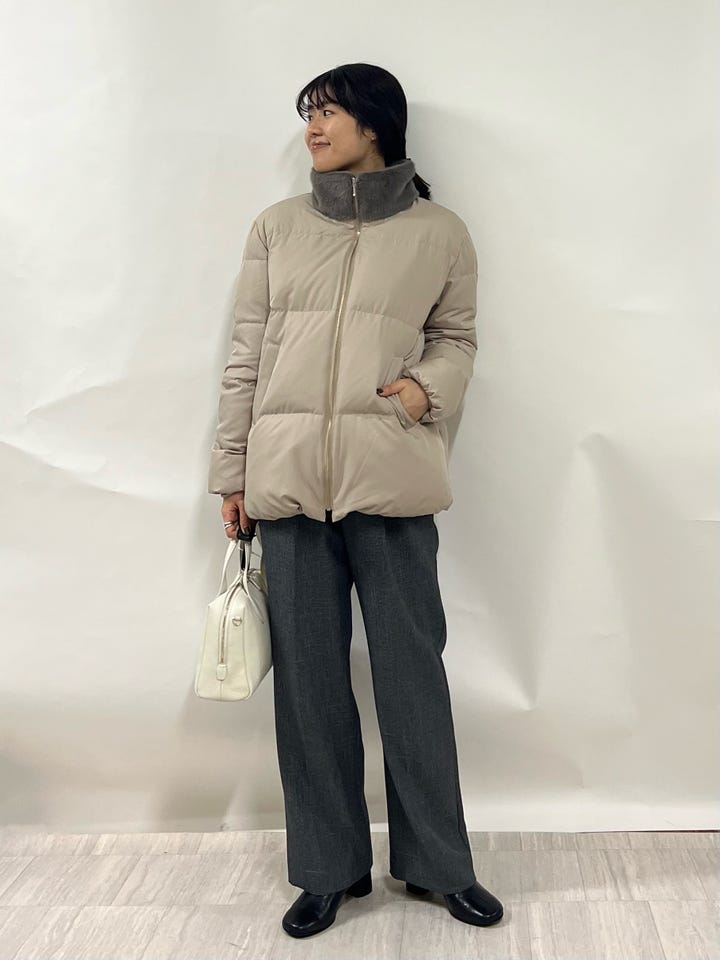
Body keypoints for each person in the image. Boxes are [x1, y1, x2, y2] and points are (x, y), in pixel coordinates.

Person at [208, 62, 504, 939]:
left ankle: (439, 866)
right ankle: (328, 870)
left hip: (393, 482)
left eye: (328, 112)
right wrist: (233, 473)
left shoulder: (440, 232)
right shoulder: (277, 228)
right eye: (309, 114)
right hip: (290, 487)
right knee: (308, 690)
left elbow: (457, 338)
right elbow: (245, 354)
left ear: (375, 123)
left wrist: (420, 392)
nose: (313, 127)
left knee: (413, 679)